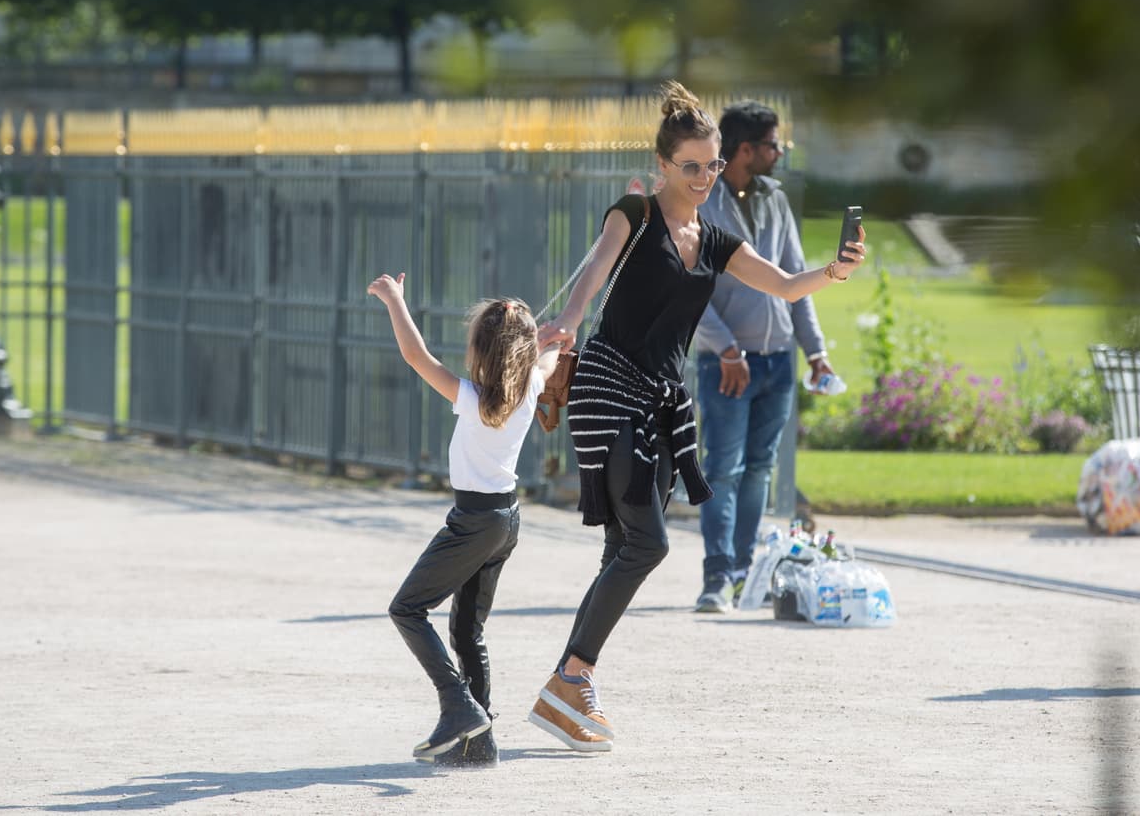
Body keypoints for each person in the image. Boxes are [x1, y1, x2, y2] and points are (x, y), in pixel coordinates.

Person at [529, 81, 866, 751]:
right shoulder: (635, 213)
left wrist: (834, 269)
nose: (707, 177)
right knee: (648, 543)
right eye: (693, 167)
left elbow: (783, 284)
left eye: (713, 165)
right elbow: (594, 273)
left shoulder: (711, 238)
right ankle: (572, 677)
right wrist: (565, 323)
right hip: (608, 387)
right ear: (663, 166)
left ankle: (566, 688)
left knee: (620, 547)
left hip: (659, 398)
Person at [369, 273, 559, 767]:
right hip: (506, 520)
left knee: (407, 609)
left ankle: (458, 707)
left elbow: (416, 356)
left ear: (481, 351)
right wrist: (555, 338)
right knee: (467, 632)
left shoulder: (473, 399)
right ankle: (480, 741)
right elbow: (549, 357)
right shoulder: (532, 386)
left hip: (473, 521)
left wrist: (395, 300)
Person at [691, 101, 836, 613]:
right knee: (722, 469)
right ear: (746, 149)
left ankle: (743, 574)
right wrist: (726, 349)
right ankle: (716, 578)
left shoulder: (774, 198)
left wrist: (815, 351)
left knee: (759, 471)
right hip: (726, 363)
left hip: (777, 362)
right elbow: (692, 295)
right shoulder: (703, 203)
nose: (781, 153)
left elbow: (796, 276)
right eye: (774, 144)